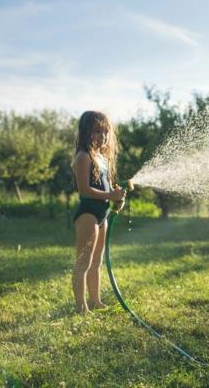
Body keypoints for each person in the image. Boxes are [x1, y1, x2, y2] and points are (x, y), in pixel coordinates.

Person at [71, 111, 126, 314]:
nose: (102, 136)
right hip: (88, 215)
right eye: (96, 131)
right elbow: (84, 189)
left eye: (105, 131)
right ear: (85, 132)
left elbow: (108, 191)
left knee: (97, 263)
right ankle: (81, 306)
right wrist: (110, 195)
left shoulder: (103, 158)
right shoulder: (83, 156)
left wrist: (117, 199)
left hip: (102, 215)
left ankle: (95, 301)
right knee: (83, 264)